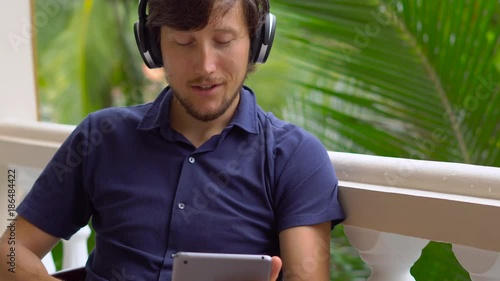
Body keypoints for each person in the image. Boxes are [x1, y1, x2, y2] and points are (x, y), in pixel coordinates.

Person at [0, 0, 345, 280]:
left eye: (224, 41)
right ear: (153, 47)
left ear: (257, 42)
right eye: (183, 42)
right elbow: (10, 252)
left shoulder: (295, 157)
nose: (205, 66)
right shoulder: (101, 138)